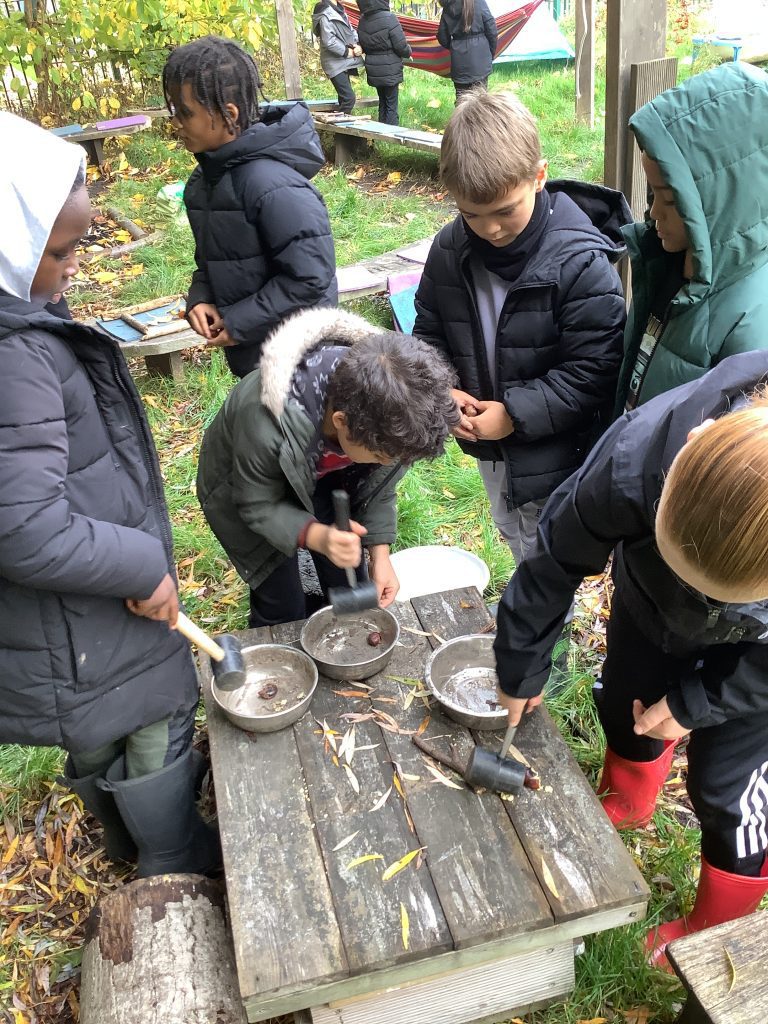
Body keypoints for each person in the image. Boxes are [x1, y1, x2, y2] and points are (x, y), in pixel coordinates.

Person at [494, 352, 768, 968]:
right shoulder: (633, 460)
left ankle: (716, 927)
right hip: (650, 608)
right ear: (689, 452)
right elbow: (555, 559)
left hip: (760, 664)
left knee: (730, 787)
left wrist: (699, 704)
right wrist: (521, 663)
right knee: (627, 701)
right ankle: (629, 797)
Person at [0, 113, 220, 879]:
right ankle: (173, 860)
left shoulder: (18, 321)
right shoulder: (15, 359)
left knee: (93, 725)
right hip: (87, 605)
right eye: (57, 253)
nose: (69, 270)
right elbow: (25, 527)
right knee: (154, 707)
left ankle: (125, 843)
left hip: (60, 622)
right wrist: (141, 565)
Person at [414, 89, 629, 573]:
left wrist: (514, 414)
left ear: (539, 176)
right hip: (489, 442)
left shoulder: (582, 264)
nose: (489, 229)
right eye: (472, 214)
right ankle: (531, 605)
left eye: (505, 210)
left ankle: (545, 633)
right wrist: (441, 388)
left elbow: (595, 369)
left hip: (557, 449)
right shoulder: (449, 249)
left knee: (550, 548)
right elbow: (427, 331)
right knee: (511, 524)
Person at [197, 307, 460, 627]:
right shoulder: (265, 422)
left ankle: (342, 634)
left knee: (352, 581)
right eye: (381, 455)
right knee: (282, 600)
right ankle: (280, 641)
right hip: (247, 488)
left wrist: (380, 554)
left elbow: (379, 485)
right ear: (340, 423)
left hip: (327, 475)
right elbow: (257, 504)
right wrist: (317, 536)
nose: (388, 463)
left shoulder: (392, 416)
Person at [164, 36, 337, 379]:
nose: (176, 124)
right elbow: (213, 260)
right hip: (255, 356)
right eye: (174, 113)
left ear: (228, 114)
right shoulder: (203, 183)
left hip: (302, 359)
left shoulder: (274, 187)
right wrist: (200, 298)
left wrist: (238, 321)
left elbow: (310, 278)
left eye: (185, 113)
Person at [616, 61, 768, 412]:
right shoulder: (664, 262)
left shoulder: (750, 325)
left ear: (729, 202)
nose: (653, 213)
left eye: (671, 201)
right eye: (652, 194)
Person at [357, 0, 412, 126]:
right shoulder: (389, 18)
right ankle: (391, 136)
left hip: (373, 68)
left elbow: (363, 44)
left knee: (383, 102)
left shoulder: (363, 20)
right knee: (391, 104)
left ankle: (381, 132)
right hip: (390, 68)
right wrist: (408, 52)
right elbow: (401, 46)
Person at [436, 0, 498, 102]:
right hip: (481, 58)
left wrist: (454, 46)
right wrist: (490, 53)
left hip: (459, 60)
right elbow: (492, 30)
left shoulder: (447, 6)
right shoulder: (479, 2)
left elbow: (442, 36)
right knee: (481, 102)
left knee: (461, 101)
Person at [312, 0, 365, 114]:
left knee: (344, 99)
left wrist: (357, 45)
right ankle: (339, 131)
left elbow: (350, 30)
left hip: (342, 61)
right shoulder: (325, 13)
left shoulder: (339, 9)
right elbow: (329, 41)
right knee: (349, 99)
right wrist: (347, 52)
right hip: (334, 62)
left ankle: (343, 130)